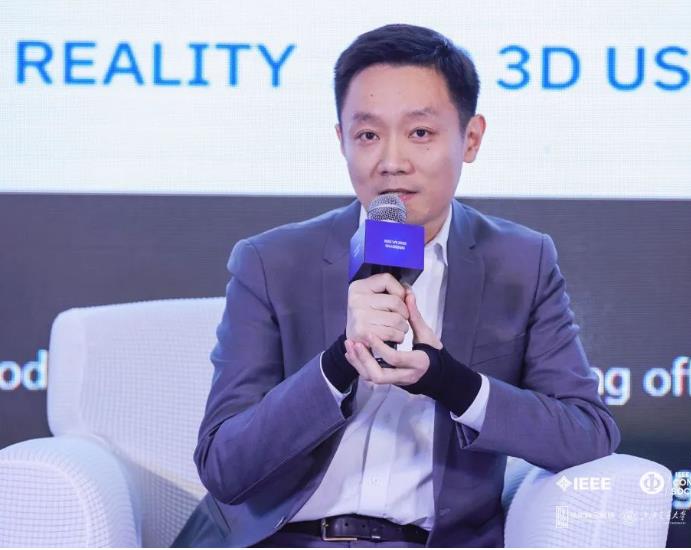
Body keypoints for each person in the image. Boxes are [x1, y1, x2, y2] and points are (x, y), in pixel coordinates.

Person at [172, 23, 620, 548]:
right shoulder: (271, 261)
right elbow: (224, 466)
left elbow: (588, 434)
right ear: (341, 141)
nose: (391, 162)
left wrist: (453, 383)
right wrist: (337, 364)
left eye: (420, 133)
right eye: (368, 135)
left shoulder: (522, 262)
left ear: (471, 138)